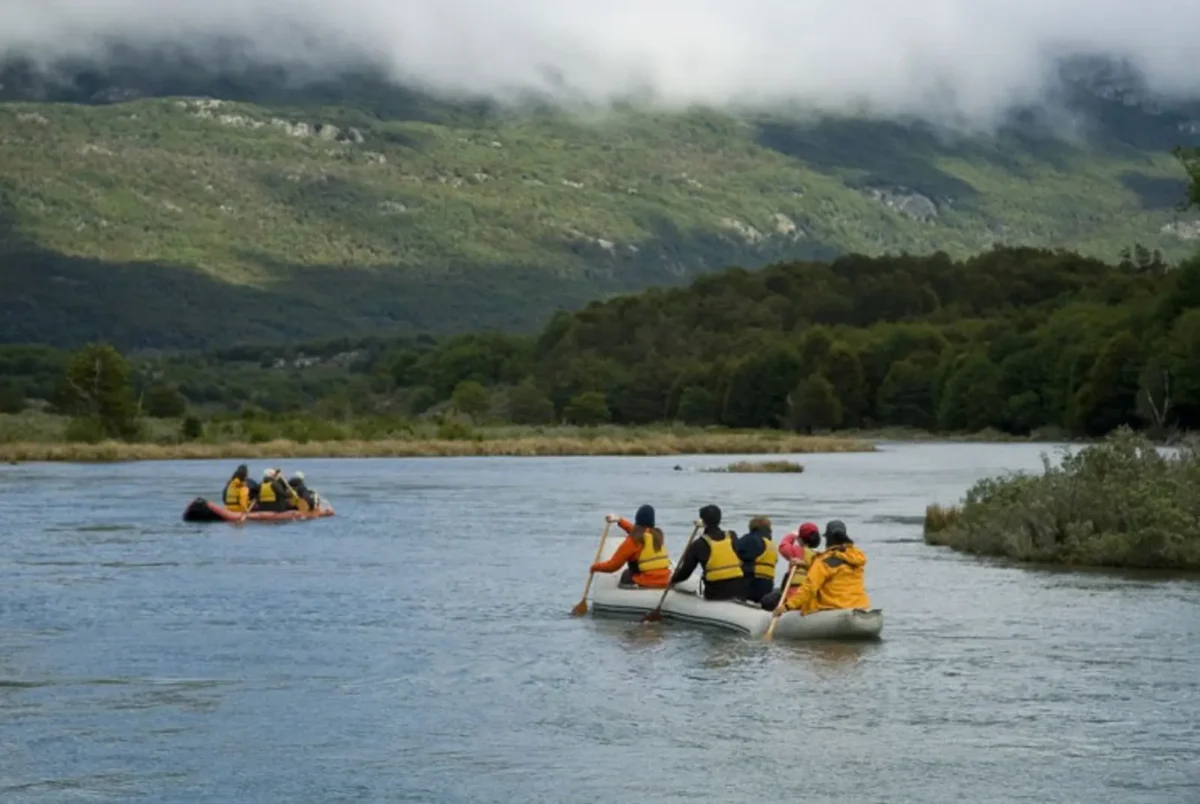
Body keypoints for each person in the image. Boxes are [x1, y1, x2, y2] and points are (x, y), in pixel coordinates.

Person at [783, 520, 870, 615]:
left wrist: (787, 606)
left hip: (835, 609)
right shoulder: (855, 557)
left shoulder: (823, 561)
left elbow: (809, 588)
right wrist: (805, 565)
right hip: (860, 606)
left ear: (828, 539)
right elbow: (836, 570)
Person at [668, 504, 746, 601]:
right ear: (719, 519)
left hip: (715, 593)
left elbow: (685, 573)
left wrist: (672, 580)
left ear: (702, 522)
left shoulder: (698, 544)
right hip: (740, 590)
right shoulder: (732, 535)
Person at [588, 505, 671, 588]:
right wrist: (619, 520)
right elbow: (635, 531)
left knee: (626, 574)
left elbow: (613, 566)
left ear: (637, 519)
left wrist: (594, 567)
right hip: (665, 579)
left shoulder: (632, 542)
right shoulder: (657, 536)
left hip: (646, 580)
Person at [760, 522, 821, 611]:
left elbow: (783, 546)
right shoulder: (820, 556)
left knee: (767, 600)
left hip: (793, 597)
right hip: (810, 598)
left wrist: (792, 535)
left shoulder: (796, 551)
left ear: (800, 539)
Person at [735, 515, 777, 604]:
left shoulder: (751, 539)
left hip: (752, 586)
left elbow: (733, 550)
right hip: (768, 587)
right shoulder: (771, 545)